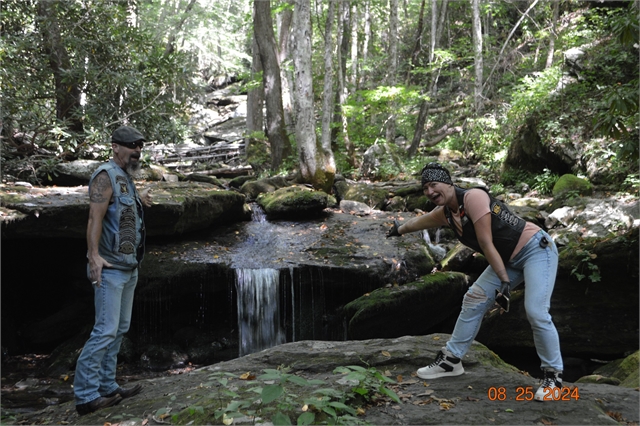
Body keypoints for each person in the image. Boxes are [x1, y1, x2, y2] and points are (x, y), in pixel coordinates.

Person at [387, 162, 563, 402]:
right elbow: (418, 222)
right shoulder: (445, 213)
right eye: (425, 188)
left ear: (448, 183)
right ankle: (450, 361)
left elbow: (486, 242)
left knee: (536, 311)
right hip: (507, 260)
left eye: (433, 184)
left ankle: (554, 377)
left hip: (536, 250)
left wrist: (503, 282)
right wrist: (398, 230)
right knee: (473, 300)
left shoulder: (474, 197)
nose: (429, 191)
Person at [74, 126, 152, 415]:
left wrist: (140, 200)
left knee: (119, 329)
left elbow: (122, 212)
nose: (137, 151)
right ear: (115, 147)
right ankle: (85, 395)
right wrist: (93, 256)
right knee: (105, 331)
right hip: (110, 269)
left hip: (129, 267)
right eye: (132, 146)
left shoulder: (126, 178)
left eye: (140, 146)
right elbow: (94, 219)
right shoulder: (105, 176)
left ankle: (107, 386)